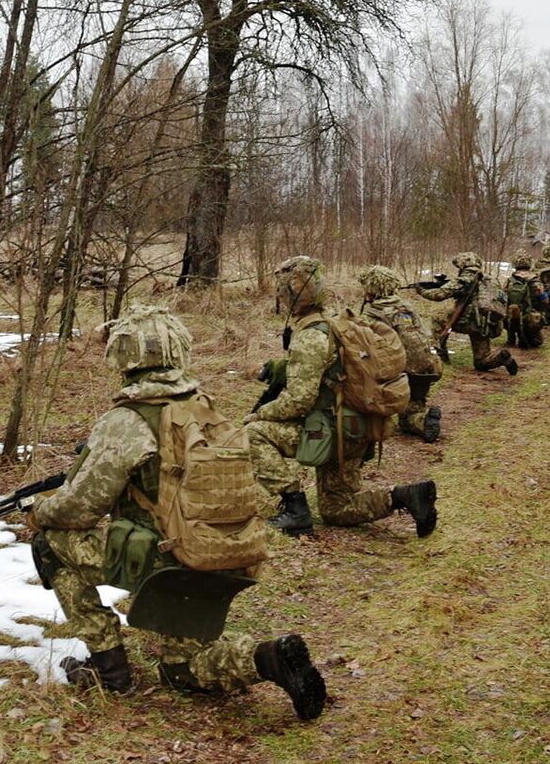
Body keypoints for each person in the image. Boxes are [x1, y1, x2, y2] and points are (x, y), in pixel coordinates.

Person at [24, 304, 326, 718]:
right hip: (225, 554)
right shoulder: (203, 406)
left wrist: (40, 510)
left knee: (49, 544)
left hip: (172, 560)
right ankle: (269, 659)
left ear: (123, 354)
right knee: (182, 671)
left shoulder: (127, 420)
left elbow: (79, 510)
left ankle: (109, 668)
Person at [245, 256, 438, 536]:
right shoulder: (333, 322)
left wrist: (259, 414)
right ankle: (406, 496)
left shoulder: (310, 335)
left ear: (290, 295)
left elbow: (299, 400)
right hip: (355, 426)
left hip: (333, 432)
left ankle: (294, 508)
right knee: (337, 509)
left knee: (253, 434)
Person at [358, 264, 442, 442]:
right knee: (413, 407)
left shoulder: (372, 314)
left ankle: (377, 418)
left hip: (401, 373)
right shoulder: (407, 307)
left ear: (370, 289)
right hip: (428, 366)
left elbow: (368, 347)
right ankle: (423, 420)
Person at [417, 251, 518, 375]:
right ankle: (501, 357)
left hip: (469, 321)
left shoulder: (464, 279)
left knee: (438, 319)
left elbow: (439, 295)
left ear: (463, 265)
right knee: (481, 362)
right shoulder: (488, 280)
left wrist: (421, 290)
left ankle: (441, 355)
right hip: (485, 325)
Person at [503, 253, 550, 349]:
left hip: (511, 318)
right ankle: (529, 335)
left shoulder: (510, 280)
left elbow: (503, 298)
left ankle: (511, 337)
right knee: (537, 342)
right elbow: (545, 301)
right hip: (530, 319)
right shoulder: (536, 281)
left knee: (510, 311)